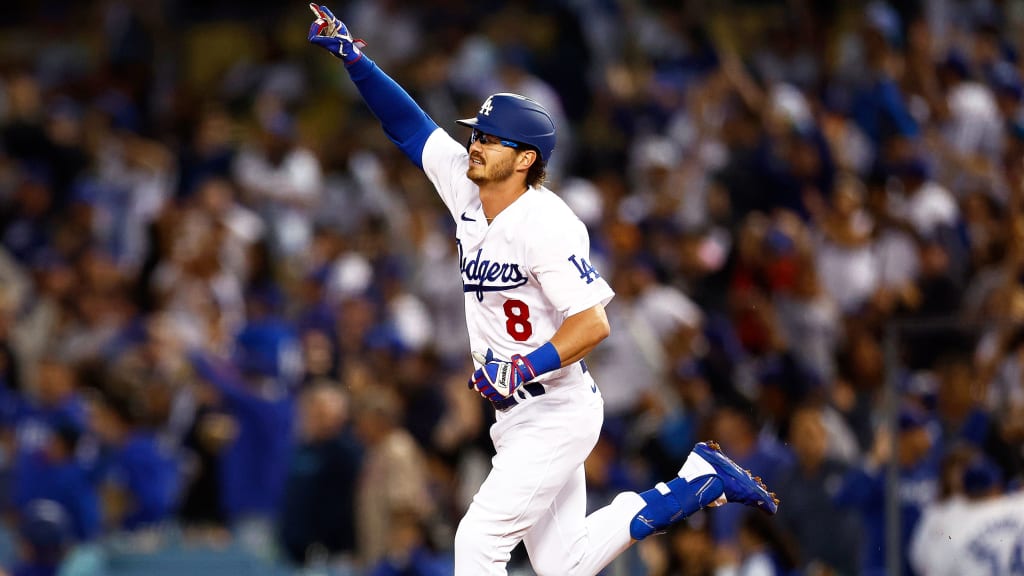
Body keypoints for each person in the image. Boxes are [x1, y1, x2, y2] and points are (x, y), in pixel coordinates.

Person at [307, 6, 779, 575]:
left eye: (490, 140)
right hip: (515, 416)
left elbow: (593, 323)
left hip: (555, 407)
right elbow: (409, 126)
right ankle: (696, 485)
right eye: (476, 134)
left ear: (525, 158)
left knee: (477, 542)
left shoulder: (547, 223)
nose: (475, 145)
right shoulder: (466, 184)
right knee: (563, 564)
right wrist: (355, 59)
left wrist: (522, 368)